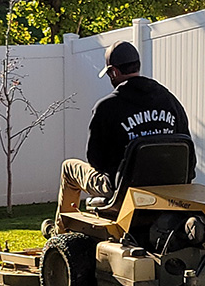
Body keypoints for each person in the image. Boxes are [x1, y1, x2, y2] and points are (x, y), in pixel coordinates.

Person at [45, 40, 191, 236]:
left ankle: (59, 233)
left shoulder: (107, 107)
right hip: (170, 188)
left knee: (69, 168)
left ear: (113, 72)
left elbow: (95, 160)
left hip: (121, 189)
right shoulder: (171, 101)